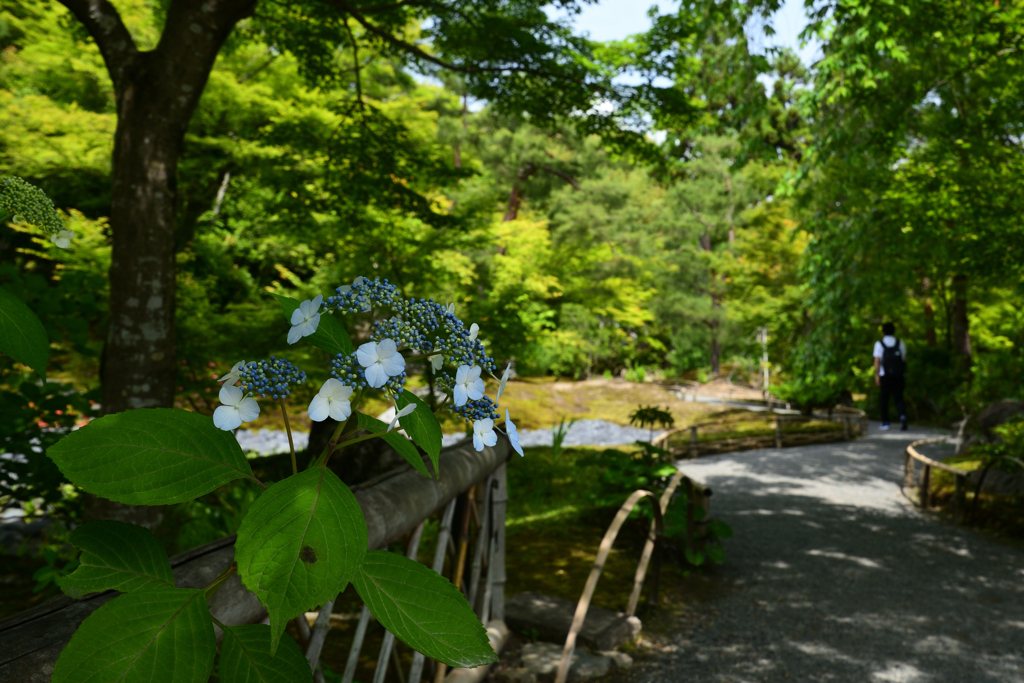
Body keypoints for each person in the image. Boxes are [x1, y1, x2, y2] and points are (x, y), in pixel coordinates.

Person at [873, 322, 907, 431]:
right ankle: (902, 416)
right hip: (899, 375)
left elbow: (877, 361)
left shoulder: (879, 344)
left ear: (883, 332)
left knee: (884, 399)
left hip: (885, 375)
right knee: (899, 397)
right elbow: (904, 360)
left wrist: (877, 375)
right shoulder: (900, 343)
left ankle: (885, 422)